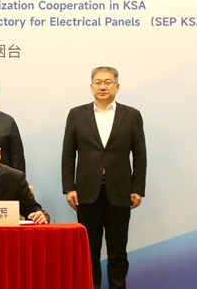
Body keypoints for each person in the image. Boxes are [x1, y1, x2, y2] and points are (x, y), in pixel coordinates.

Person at [61, 67, 147, 289]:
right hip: (87, 193)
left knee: (118, 252)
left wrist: (137, 188)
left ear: (117, 87)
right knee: (89, 252)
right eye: (98, 82)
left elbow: (140, 154)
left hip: (120, 192)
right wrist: (69, 187)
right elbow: (68, 153)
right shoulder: (77, 114)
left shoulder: (132, 115)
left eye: (108, 82)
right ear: (91, 87)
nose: (102, 87)